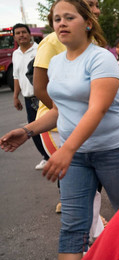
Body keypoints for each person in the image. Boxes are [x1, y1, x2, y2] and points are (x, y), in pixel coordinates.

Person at [0, 0, 119, 260]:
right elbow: (62, 110)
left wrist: (66, 148)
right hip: (77, 156)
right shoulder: (59, 62)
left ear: (87, 22)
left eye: (69, 17)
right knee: (74, 224)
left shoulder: (102, 58)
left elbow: (97, 108)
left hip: (114, 151)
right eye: (55, 19)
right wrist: (28, 130)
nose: (60, 23)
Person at [12, 23, 49, 170]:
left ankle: (56, 154)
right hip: (28, 98)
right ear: (14, 37)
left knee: (49, 128)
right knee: (33, 131)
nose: (21, 35)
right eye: (18, 33)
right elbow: (17, 76)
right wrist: (16, 96)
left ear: (30, 34)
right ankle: (46, 157)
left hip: (42, 96)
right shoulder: (16, 54)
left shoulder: (40, 49)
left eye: (24, 32)